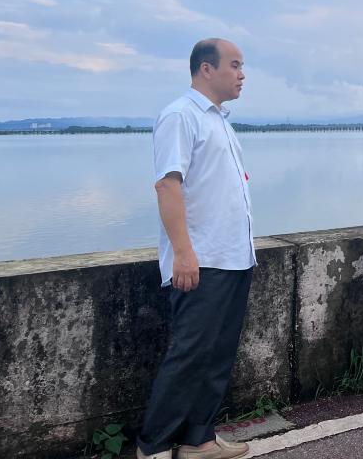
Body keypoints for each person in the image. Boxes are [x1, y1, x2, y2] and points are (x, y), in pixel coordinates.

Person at [137, 39, 255, 459]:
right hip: (204, 258)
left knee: (216, 357)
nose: (242, 74)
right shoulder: (180, 115)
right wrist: (183, 253)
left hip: (234, 256)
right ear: (207, 69)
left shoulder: (219, 120)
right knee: (189, 356)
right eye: (235, 65)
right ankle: (152, 447)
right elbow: (168, 184)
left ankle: (198, 440)